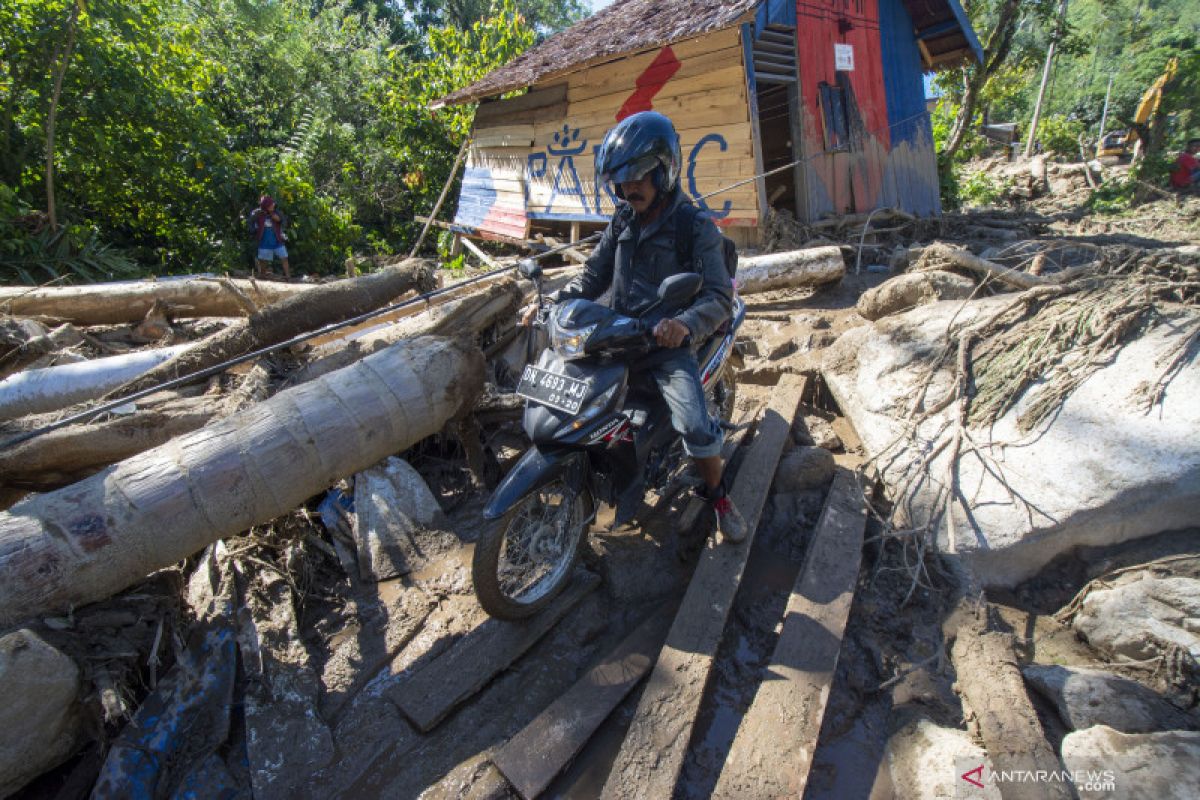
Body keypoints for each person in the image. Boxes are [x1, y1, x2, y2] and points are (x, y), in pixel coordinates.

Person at [521, 111, 748, 543]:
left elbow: (720, 297)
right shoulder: (623, 219)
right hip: (616, 335)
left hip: (664, 344)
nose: (628, 188)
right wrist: (554, 300)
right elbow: (593, 277)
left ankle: (719, 497)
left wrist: (682, 324)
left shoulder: (694, 226)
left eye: (638, 177)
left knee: (695, 426)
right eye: (621, 181)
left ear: (664, 170)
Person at [247, 195, 291, 280]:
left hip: (277, 240)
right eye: (271, 205)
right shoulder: (257, 213)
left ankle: (288, 276)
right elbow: (250, 222)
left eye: (273, 204)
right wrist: (253, 231)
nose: (273, 205)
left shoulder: (277, 212)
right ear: (266, 206)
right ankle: (262, 276)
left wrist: (279, 220)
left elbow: (284, 222)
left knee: (284, 257)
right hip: (264, 240)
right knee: (263, 260)